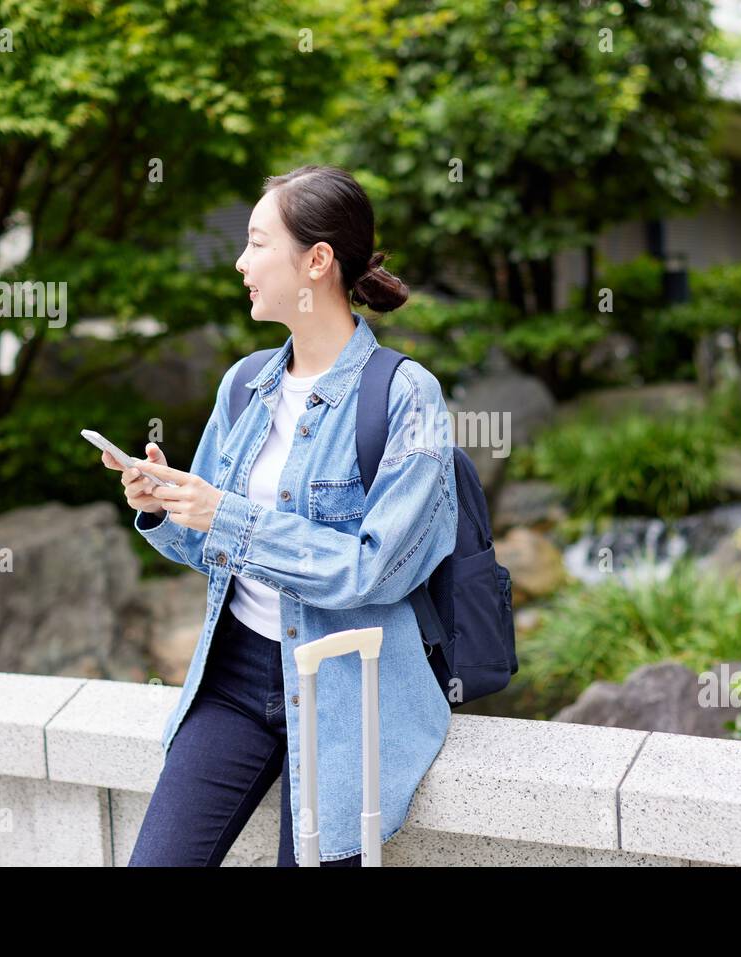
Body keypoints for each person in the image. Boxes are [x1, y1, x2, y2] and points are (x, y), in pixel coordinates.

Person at [106, 165, 458, 866]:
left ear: (317, 260)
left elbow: (372, 568)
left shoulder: (405, 396)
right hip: (233, 674)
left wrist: (228, 516)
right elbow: (211, 541)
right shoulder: (244, 385)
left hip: (346, 688)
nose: (241, 261)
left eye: (258, 242)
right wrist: (165, 507)